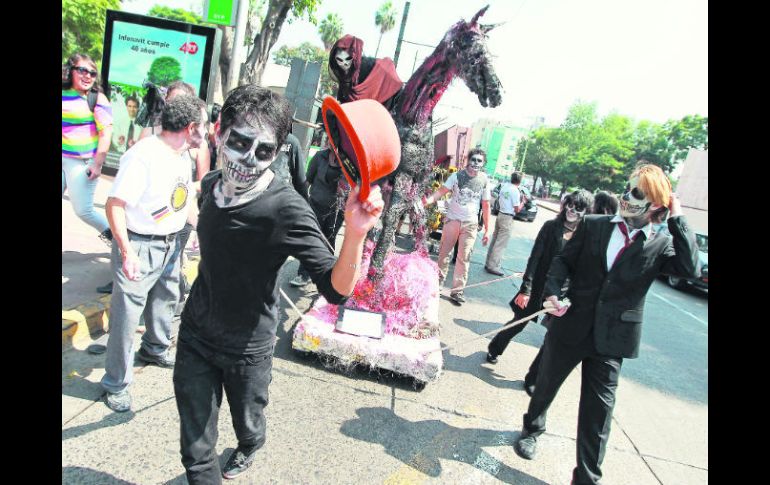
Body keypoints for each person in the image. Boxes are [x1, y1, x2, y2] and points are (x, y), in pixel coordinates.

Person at [172, 85, 385, 484]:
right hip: (196, 336)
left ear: (278, 152)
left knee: (247, 422)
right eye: (239, 142)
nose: (248, 160)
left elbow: (336, 289)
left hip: (247, 349)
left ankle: (252, 442)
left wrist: (355, 233)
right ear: (219, 132)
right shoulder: (212, 185)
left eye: (264, 151)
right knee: (197, 453)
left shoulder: (286, 208)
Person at [513, 164, 699, 485]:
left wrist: (678, 216)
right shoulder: (593, 225)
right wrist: (553, 292)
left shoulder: (661, 244)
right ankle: (532, 429)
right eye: (627, 189)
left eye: (637, 193)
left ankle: (586, 478)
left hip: (612, 340)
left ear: (655, 204)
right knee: (545, 385)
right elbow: (563, 262)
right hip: (570, 325)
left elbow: (691, 268)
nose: (627, 197)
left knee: (598, 413)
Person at [100, 95, 209, 413]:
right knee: (126, 316)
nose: (208, 130)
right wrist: (127, 251)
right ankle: (116, 384)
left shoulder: (182, 155)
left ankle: (155, 348)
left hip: (170, 244)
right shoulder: (143, 156)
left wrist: (202, 233)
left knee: (166, 298)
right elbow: (114, 205)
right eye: (203, 125)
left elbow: (184, 196)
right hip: (139, 246)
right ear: (190, 128)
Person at [486, 190, 594, 396]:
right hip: (538, 286)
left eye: (578, 207)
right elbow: (535, 258)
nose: (572, 210)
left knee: (552, 338)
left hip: (562, 293)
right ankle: (495, 348)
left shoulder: (586, 234)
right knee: (519, 322)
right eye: (569, 205)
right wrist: (526, 288)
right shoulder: (551, 227)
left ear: (585, 211)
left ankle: (533, 378)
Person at [423, 148, 491, 306]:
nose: (475, 163)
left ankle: (457, 291)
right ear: (468, 160)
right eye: (473, 159)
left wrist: (488, 229)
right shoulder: (456, 176)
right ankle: (437, 285)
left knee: (464, 258)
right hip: (453, 220)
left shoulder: (485, 180)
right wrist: (428, 200)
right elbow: (442, 191)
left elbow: (486, 205)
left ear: (483, 163)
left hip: (470, 224)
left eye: (479, 161)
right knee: (444, 254)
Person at [62, 53, 113, 246]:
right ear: (70, 71)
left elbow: (106, 133)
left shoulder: (96, 99)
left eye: (92, 73)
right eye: (82, 70)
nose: (88, 76)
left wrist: (97, 164)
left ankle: (117, 239)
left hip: (82, 162)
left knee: (84, 210)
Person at [290, 145, 345, 287]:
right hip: (315, 206)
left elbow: (352, 184)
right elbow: (308, 180)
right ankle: (303, 274)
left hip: (336, 211)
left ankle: (329, 275)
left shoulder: (348, 161)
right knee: (310, 239)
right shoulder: (320, 157)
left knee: (329, 242)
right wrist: (299, 201)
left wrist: (344, 189)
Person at [484, 172, 524, 276]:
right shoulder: (515, 191)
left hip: (500, 214)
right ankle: (493, 266)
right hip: (508, 217)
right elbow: (517, 209)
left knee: (495, 240)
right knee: (500, 244)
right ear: (520, 180)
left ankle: (488, 263)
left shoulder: (505, 186)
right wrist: (523, 202)